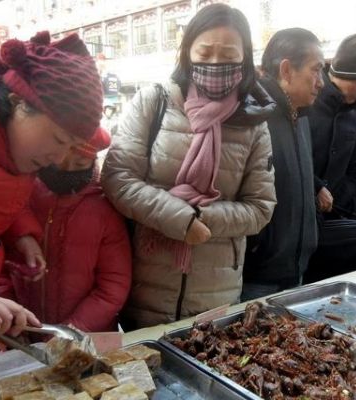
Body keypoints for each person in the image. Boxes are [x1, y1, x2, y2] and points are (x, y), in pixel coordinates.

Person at [101, 3, 276, 328]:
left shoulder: (253, 123)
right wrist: (180, 220)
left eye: (228, 54)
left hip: (217, 297)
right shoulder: (153, 102)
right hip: (144, 289)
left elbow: (261, 208)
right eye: (205, 52)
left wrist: (203, 218)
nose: (215, 62)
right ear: (187, 51)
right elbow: (117, 178)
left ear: (244, 57)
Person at [0, 31, 104, 343]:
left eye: (72, 147)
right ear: (17, 102)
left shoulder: (11, 145)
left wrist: (22, 235)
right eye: (58, 139)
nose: (58, 158)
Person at [4, 128, 131, 332]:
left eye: (80, 164)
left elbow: (113, 286)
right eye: (59, 161)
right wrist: (9, 318)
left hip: (85, 337)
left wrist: (71, 331)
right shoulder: (22, 197)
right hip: (22, 333)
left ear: (93, 163)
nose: (67, 169)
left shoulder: (105, 209)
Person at [242, 28, 323, 301]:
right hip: (259, 277)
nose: (321, 82)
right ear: (287, 70)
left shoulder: (300, 116)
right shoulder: (254, 116)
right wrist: (260, 247)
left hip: (295, 271)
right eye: (316, 70)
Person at [310, 33, 356, 217]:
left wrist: (346, 196)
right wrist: (316, 187)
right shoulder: (308, 101)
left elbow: (354, 164)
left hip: (335, 211)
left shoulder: (355, 111)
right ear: (340, 74)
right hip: (299, 210)